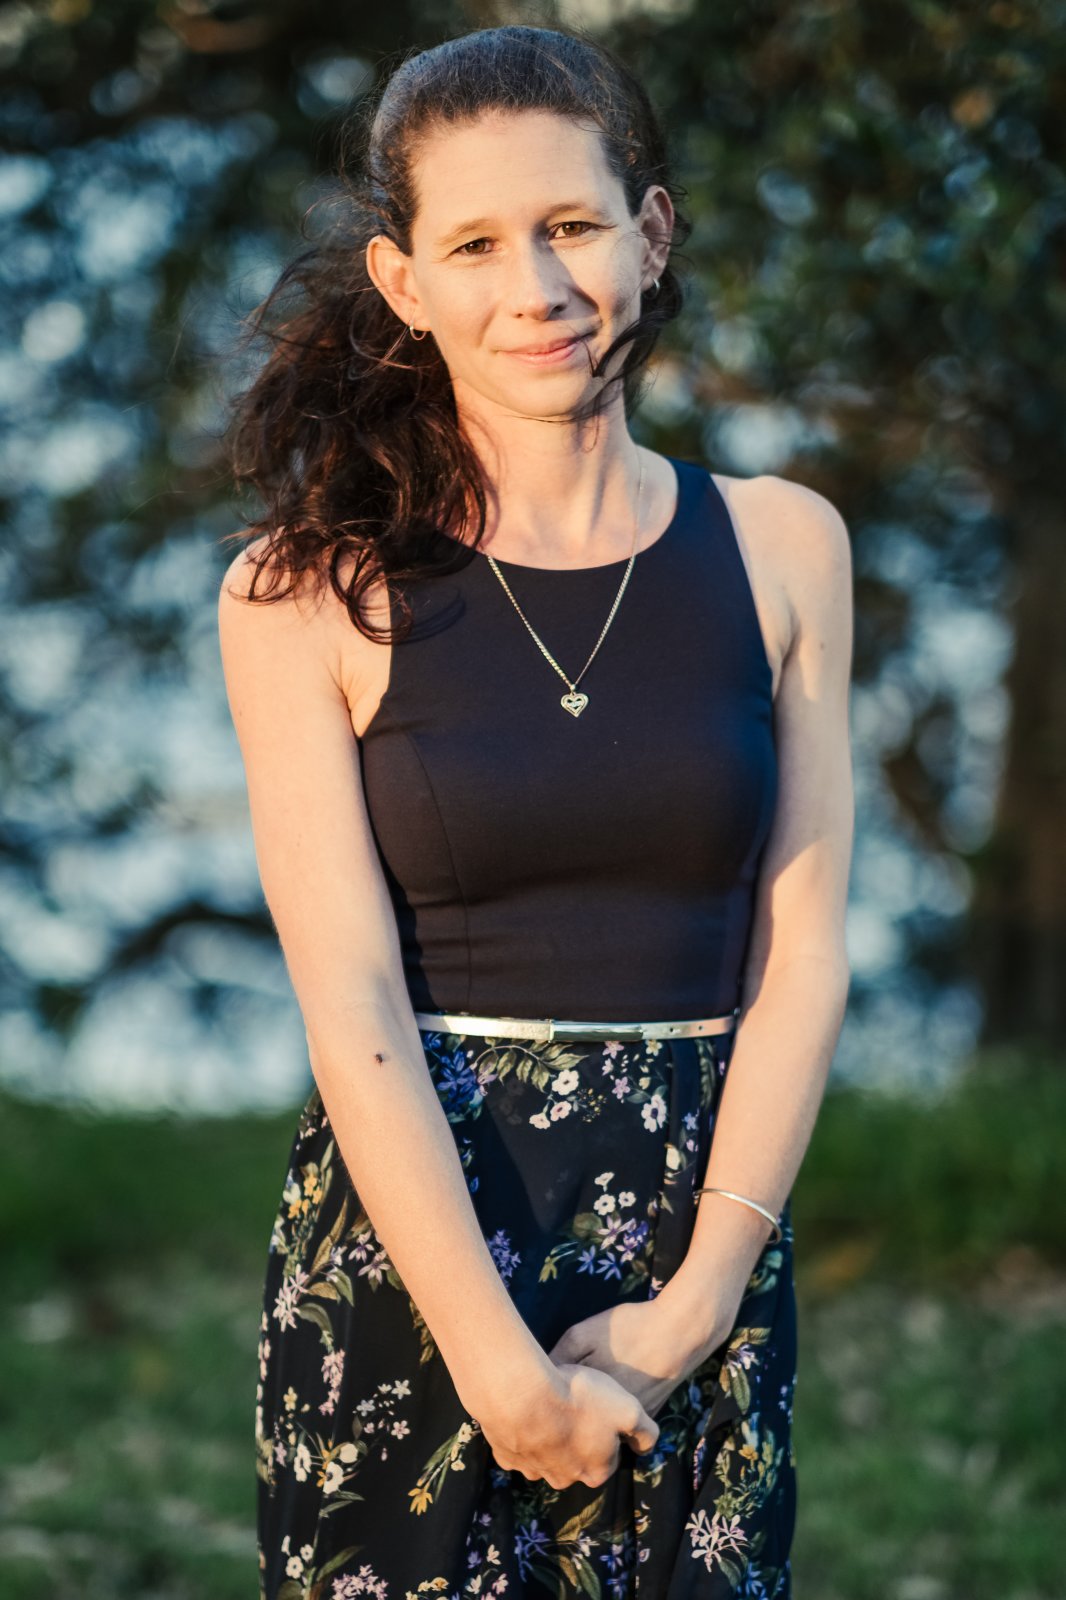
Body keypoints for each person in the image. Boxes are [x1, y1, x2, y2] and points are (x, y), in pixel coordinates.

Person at [217, 22, 853, 1599]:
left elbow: (802, 955)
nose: (539, 288)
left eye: (572, 225)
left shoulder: (783, 546)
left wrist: (695, 1305)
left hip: (695, 1254)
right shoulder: (306, 592)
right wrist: (496, 1363)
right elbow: (348, 999)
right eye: (476, 245)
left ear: (651, 232)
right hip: (416, 1259)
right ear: (403, 282)